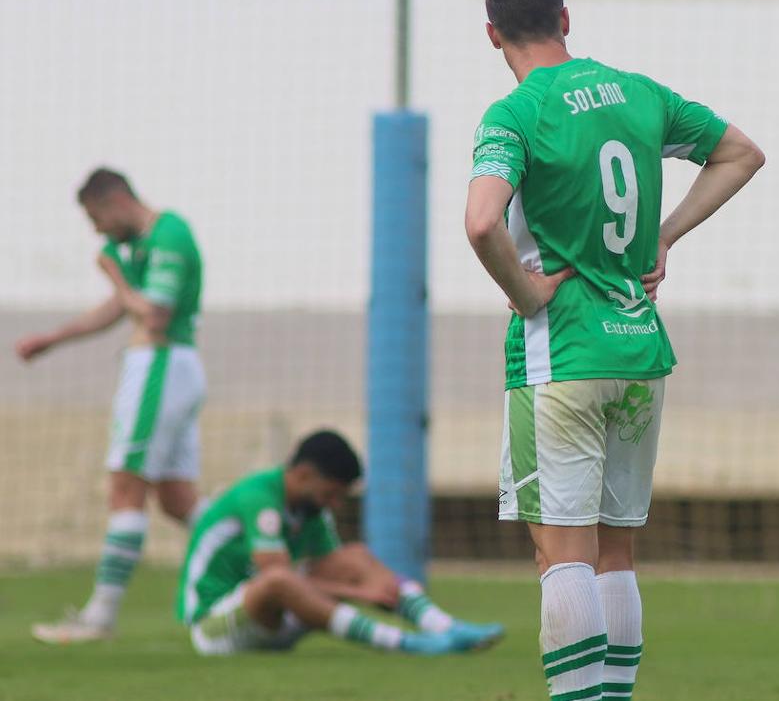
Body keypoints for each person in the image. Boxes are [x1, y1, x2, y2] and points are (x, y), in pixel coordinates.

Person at [465, 0, 764, 701]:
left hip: (562, 355)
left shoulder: (516, 113)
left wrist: (526, 292)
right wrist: (665, 236)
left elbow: (480, 223)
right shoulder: (639, 93)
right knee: (615, 554)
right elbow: (742, 153)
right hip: (638, 351)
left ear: (493, 35)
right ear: (566, 20)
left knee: (561, 556)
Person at [20, 167, 207, 643]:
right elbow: (121, 308)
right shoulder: (146, 244)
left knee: (125, 488)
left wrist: (115, 272)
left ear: (116, 200)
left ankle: (100, 616)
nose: (96, 229)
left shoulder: (168, 236)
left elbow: (152, 313)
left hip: (159, 365)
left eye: (95, 216)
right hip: (173, 368)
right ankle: (258, 570)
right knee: (177, 498)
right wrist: (55, 338)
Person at [177, 429, 503, 656]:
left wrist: (364, 585)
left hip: (273, 623)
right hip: (215, 628)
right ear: (303, 475)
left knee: (356, 556)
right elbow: (277, 579)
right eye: (331, 493)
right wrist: (359, 594)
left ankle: (446, 627)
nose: (334, 504)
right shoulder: (258, 497)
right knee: (278, 579)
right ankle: (406, 644)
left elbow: (333, 571)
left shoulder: (310, 507)